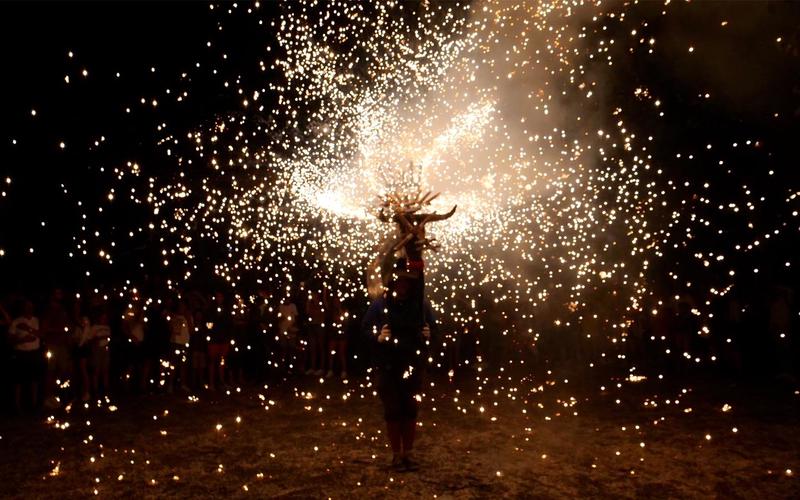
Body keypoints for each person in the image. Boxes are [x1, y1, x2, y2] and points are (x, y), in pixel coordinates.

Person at [362, 262, 436, 471]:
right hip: (387, 365)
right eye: (399, 280)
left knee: (410, 410)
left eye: (406, 281)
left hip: (413, 364)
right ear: (393, 282)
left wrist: (429, 333)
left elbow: (435, 328)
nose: (402, 284)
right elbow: (365, 329)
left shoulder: (420, 305)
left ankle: (408, 453)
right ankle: (396, 455)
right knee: (393, 410)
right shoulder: (380, 304)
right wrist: (377, 336)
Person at [9, 300, 44, 412]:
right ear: (23, 308)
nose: (29, 309)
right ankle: (17, 406)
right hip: (21, 353)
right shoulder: (16, 321)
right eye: (27, 306)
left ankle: (33, 405)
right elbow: (10, 339)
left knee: (34, 379)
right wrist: (22, 340)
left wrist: (28, 329)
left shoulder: (36, 320)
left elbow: (41, 334)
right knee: (18, 380)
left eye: (31, 306)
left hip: (34, 353)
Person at [40, 289, 72, 408]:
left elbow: (66, 325)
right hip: (52, 345)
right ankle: (48, 397)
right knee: (51, 371)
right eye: (58, 293)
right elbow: (44, 329)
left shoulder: (63, 310)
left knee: (63, 370)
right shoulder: (49, 311)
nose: (60, 296)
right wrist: (58, 330)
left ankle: (60, 395)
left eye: (61, 293)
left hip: (62, 345)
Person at [167, 301, 191, 393]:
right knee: (173, 364)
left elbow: (192, 330)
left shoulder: (188, 317)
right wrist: (171, 320)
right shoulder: (174, 317)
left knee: (183, 365)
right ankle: (170, 385)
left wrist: (188, 319)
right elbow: (170, 329)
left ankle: (183, 385)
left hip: (185, 343)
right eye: (180, 306)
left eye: (184, 306)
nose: (182, 308)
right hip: (175, 343)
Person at [304, 288, 327, 376]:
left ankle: (322, 368)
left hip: (319, 326)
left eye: (315, 294)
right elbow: (307, 312)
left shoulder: (321, 303)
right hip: (312, 326)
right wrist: (308, 302)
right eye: (313, 294)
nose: (314, 295)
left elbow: (323, 312)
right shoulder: (310, 303)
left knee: (321, 347)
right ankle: (312, 368)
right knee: (312, 347)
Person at [89, 311, 112, 398]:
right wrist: (98, 339)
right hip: (97, 349)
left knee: (105, 370)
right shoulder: (95, 327)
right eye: (103, 318)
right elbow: (90, 338)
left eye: (105, 318)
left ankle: (106, 389)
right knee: (96, 370)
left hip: (106, 349)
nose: (104, 319)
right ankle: (95, 390)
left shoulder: (107, 327)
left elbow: (109, 338)